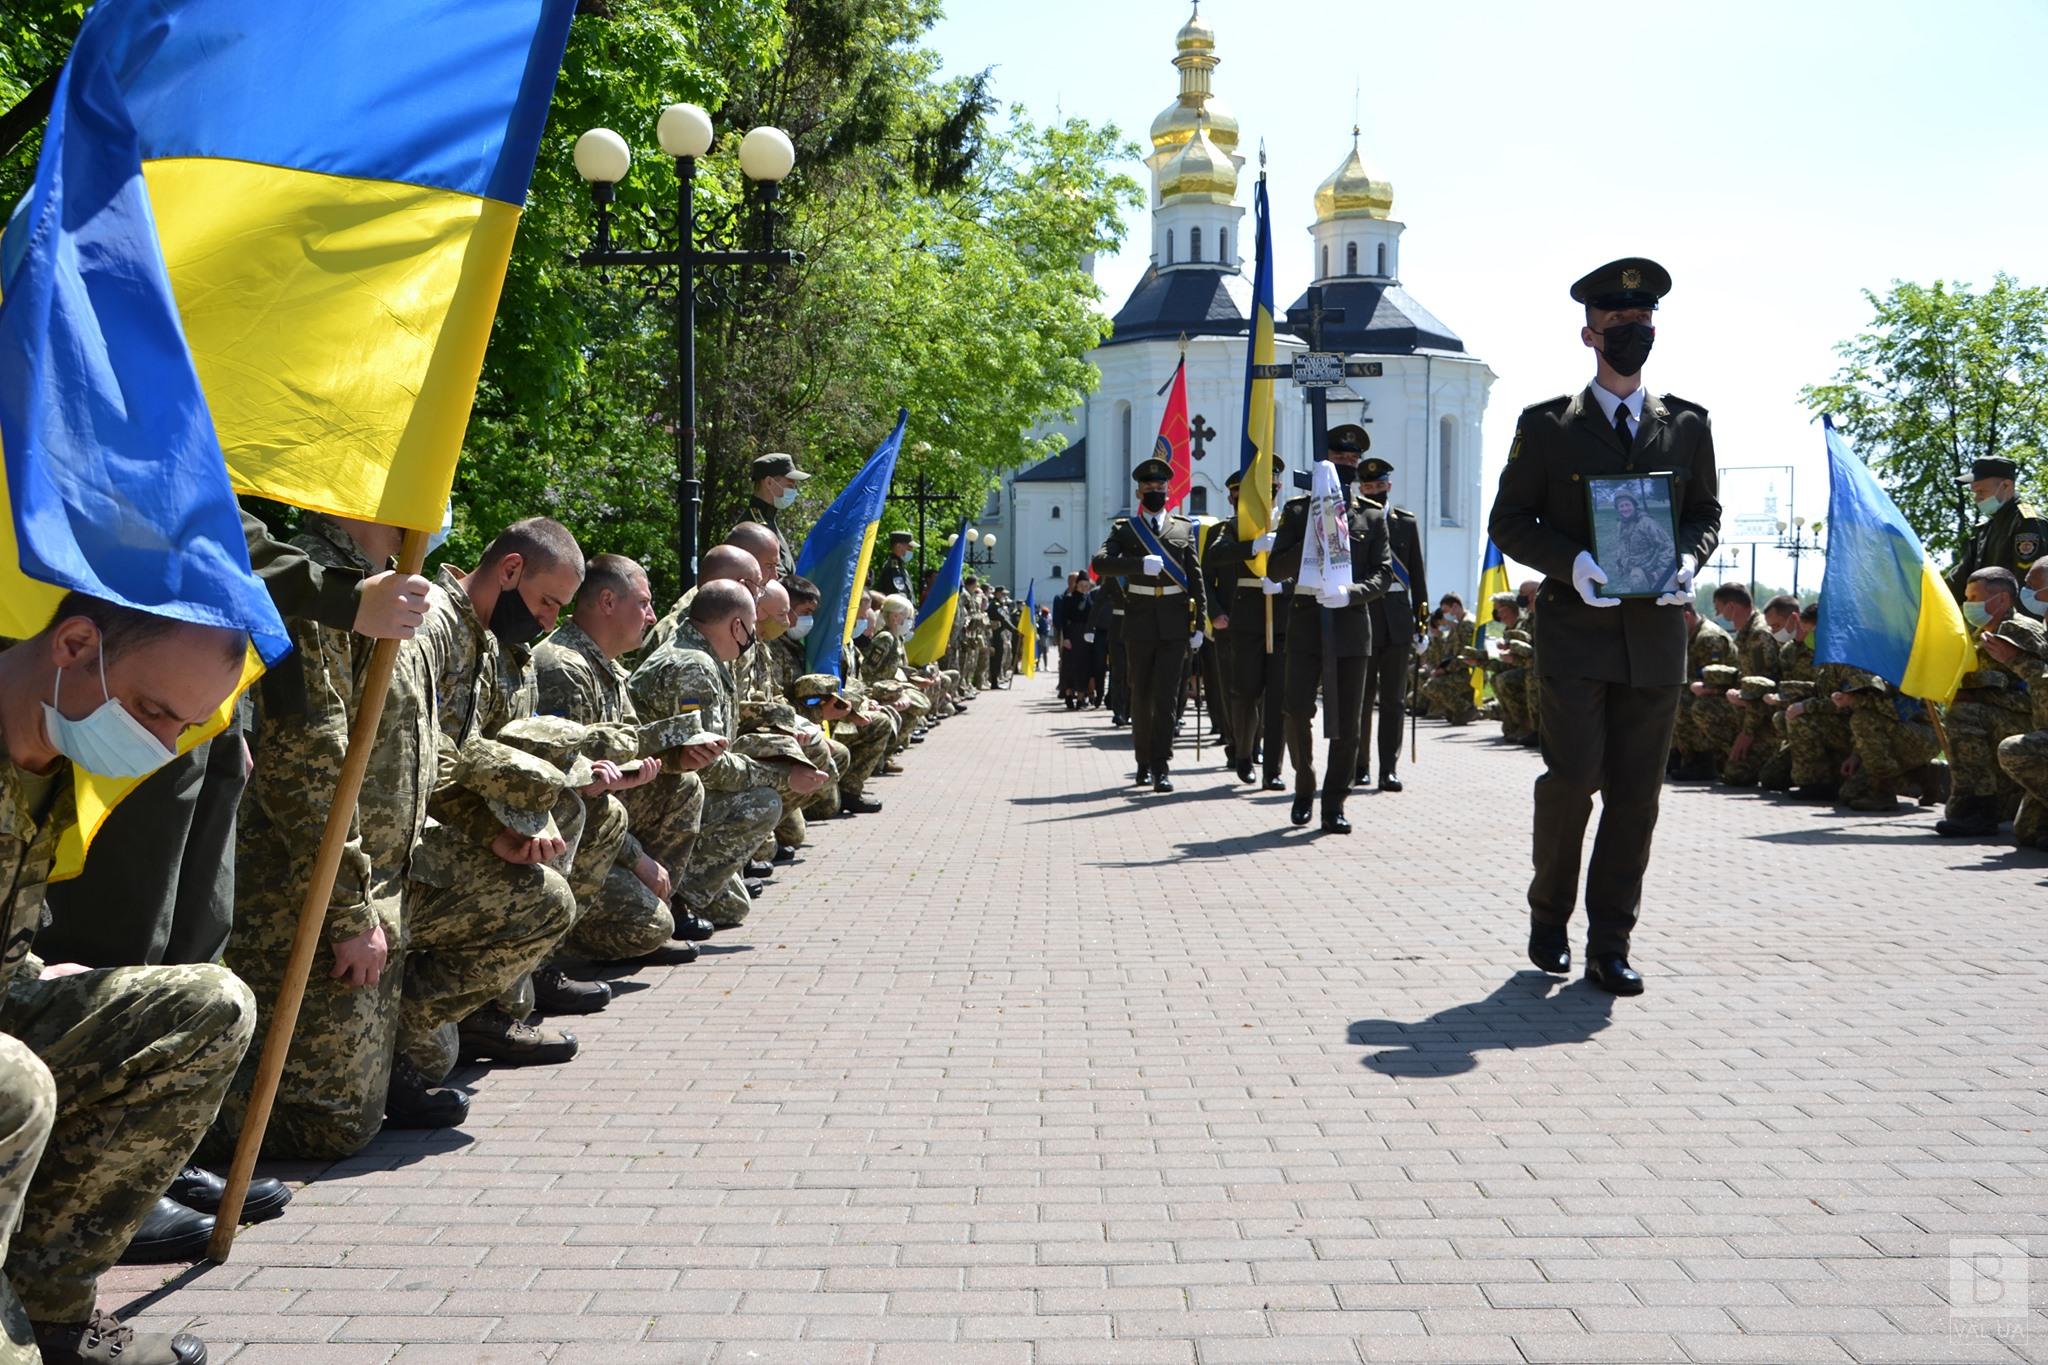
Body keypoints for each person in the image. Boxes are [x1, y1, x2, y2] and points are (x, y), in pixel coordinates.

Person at [0, 594, 258, 1365]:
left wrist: (31, 971)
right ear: (75, 644)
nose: (164, 744)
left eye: (186, 725)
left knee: (208, 1006)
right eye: (153, 710)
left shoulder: (46, 760)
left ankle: (50, 1307)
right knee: (16, 1083)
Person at [1486, 256, 1720, 996]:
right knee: (1574, 779)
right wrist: (1572, 562)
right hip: (1576, 636)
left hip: (1654, 641)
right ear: (1589, 334)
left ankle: (1610, 943)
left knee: (1637, 796)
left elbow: (1703, 514)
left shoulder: (1686, 425)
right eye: (1618, 325)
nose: (1632, 335)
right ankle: (1549, 916)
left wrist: (1688, 559)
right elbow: (1509, 521)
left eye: (1642, 324)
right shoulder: (1548, 426)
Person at [1267, 424, 1395, 833]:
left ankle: (1334, 803)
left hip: (1350, 625)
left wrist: (1353, 593)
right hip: (1306, 620)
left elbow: (1384, 573)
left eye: (1352, 463)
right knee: (1296, 710)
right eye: (1338, 461)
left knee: (1348, 722)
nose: (1346, 468)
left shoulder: (1371, 516)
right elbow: (1275, 568)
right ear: (1324, 464)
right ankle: (1304, 785)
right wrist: (1310, 533)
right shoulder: (1297, 511)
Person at [1091, 458, 1206, 792]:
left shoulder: (1183, 528)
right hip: (1140, 624)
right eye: (1149, 486)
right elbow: (1101, 565)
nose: (1155, 491)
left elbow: (1195, 579)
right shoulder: (1124, 530)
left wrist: (1199, 624)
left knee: (1168, 697)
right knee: (1140, 696)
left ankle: (1161, 766)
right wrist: (1138, 564)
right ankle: (1142, 760)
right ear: (1139, 490)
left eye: (1160, 486)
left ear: (1168, 490)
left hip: (1174, 625)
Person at [1934, 567, 2038, 836]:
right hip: (1999, 721)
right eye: (1967, 597)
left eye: (1975, 597)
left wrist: (1977, 695)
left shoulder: (2019, 632)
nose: (1968, 604)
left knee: (1964, 715)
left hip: (2029, 723)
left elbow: (2035, 695)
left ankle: (1979, 807)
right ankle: (1984, 802)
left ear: (2002, 599)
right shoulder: (1976, 634)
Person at [1204, 465, 1289, 789]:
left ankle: (1274, 770)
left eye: (1273, 484)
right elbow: (1214, 559)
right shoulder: (1232, 527)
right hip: (1243, 619)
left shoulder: (1293, 522)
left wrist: (1285, 586)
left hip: (1282, 618)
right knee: (1243, 694)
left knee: (1278, 696)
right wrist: (1252, 546)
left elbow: (1309, 564)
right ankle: (1242, 751)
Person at [1355, 457, 1426, 790]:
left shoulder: (1405, 523)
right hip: (1364, 616)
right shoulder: (1355, 521)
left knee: (1395, 700)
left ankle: (1388, 769)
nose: (1374, 492)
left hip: (1398, 620)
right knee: (1362, 699)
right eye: (1368, 487)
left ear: (1389, 486)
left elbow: (1418, 577)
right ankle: (1360, 766)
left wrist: (1421, 624)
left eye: (1379, 486)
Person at [1945, 457, 2048, 615]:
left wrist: (2013, 629)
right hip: (1993, 624)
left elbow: (2030, 586)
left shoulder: (2027, 523)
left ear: (2006, 485)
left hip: (2017, 627)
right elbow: (1961, 579)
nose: (1977, 498)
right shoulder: (1985, 530)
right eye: (1974, 492)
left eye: (1981, 491)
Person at [747, 452, 810, 577]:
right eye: (789, 485)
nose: (794, 492)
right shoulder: (754, 528)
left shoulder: (769, 520)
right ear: (769, 482)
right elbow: (774, 578)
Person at [1605, 491, 1677, 597]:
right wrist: (1620, 563)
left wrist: (1659, 571)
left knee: (1637, 580)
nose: (1625, 509)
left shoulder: (1646, 523)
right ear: (1617, 509)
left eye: (1627, 505)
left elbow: (1668, 546)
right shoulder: (1620, 525)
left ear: (1634, 505)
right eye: (1621, 506)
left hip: (1649, 569)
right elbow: (1621, 545)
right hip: (1631, 568)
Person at [875, 530, 916, 599]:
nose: (911, 550)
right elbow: (900, 596)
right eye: (909, 547)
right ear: (898, 546)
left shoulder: (899, 566)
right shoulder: (893, 568)